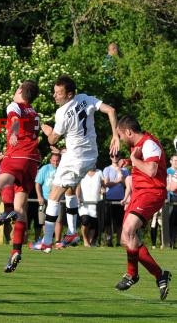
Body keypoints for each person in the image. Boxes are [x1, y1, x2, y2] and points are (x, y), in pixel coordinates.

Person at [39, 75, 119, 252]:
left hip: (74, 158)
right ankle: (73, 232)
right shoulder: (85, 98)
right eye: (54, 92)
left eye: (59, 93)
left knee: (53, 196)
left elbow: (53, 140)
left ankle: (46, 241)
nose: (55, 96)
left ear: (69, 95)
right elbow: (111, 110)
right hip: (91, 156)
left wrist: (47, 130)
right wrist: (115, 135)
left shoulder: (62, 113)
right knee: (69, 189)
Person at [113, 115, 171, 300]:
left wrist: (133, 159)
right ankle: (160, 275)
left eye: (121, 135)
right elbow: (144, 164)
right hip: (139, 194)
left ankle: (132, 274)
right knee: (125, 238)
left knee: (129, 230)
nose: (120, 139)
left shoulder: (149, 144)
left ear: (128, 132)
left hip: (152, 193)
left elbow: (152, 170)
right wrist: (129, 162)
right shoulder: (138, 145)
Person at [0, 80, 41, 272]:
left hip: (17, 154)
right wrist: (4, 154)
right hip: (32, 161)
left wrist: (13, 133)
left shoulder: (15, 105)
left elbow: (16, 121)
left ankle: (7, 209)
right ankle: (15, 251)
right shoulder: (34, 113)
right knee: (21, 209)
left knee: (3, 181)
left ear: (20, 91)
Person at [32, 153, 62, 245]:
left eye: (57, 161)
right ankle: (47, 240)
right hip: (45, 198)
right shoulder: (45, 168)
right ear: (50, 160)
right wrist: (39, 196)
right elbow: (37, 183)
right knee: (44, 220)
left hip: (58, 199)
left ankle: (57, 242)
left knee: (58, 220)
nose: (56, 163)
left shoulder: (63, 169)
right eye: (54, 161)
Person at [103, 153, 129, 247]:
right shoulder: (107, 169)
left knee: (119, 222)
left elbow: (127, 184)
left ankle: (119, 241)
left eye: (117, 156)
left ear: (120, 157)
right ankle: (109, 241)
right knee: (108, 222)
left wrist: (119, 171)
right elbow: (106, 183)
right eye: (112, 156)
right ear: (110, 157)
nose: (114, 158)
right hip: (109, 198)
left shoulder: (125, 170)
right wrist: (118, 181)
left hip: (120, 199)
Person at [76, 167, 105, 247]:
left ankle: (91, 243)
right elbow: (78, 186)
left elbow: (103, 185)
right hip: (84, 204)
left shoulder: (99, 172)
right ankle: (85, 240)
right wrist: (78, 197)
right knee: (85, 221)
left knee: (93, 224)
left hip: (96, 203)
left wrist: (103, 189)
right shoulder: (82, 171)